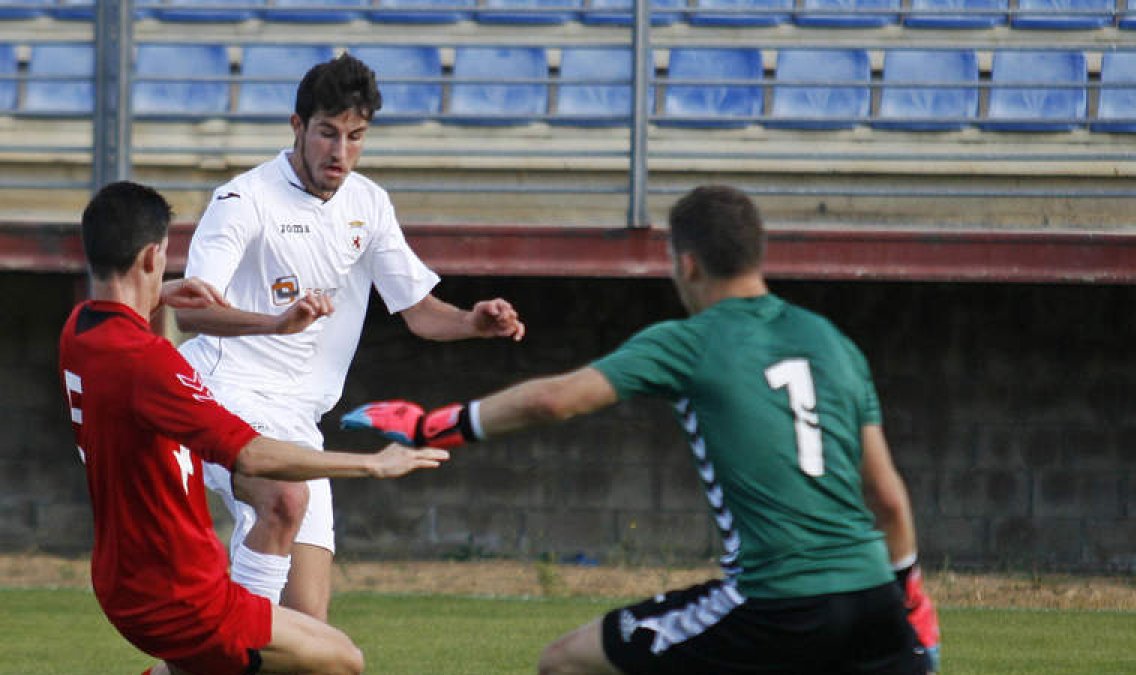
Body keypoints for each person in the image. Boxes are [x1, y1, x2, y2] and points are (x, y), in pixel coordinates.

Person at [343, 185, 942, 674]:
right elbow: (888, 498)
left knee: (565, 663)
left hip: (776, 599)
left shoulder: (687, 341)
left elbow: (555, 400)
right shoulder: (831, 342)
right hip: (875, 597)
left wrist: (435, 426)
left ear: (686, 263)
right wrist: (909, 597)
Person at [173, 53, 525, 621]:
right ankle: (227, 648)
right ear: (297, 127)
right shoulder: (242, 200)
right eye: (327, 133)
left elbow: (417, 311)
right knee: (284, 501)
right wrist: (273, 324)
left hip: (297, 419)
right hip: (223, 392)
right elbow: (192, 311)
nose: (340, 152)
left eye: (355, 136)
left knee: (308, 624)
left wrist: (471, 322)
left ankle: (218, 651)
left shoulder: (369, 203)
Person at [58, 181, 450, 675]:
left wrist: (165, 293)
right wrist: (372, 463)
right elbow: (253, 454)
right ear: (153, 257)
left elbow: (124, 314)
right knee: (341, 660)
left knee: (281, 507)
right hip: (181, 597)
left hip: (127, 579)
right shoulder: (150, 365)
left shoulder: (79, 330)